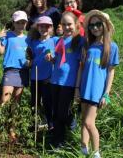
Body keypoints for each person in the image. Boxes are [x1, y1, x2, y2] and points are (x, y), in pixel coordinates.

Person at [79, 10, 119, 158]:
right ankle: (83, 149)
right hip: (84, 88)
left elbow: (111, 72)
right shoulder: (87, 45)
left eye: (98, 24)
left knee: (89, 123)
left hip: (97, 92)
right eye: (91, 25)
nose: (95, 28)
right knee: (83, 120)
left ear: (105, 26)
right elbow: (81, 68)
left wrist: (106, 94)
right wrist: (77, 89)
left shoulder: (112, 47)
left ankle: (96, 152)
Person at [46, 11, 85, 148]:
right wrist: (52, 59)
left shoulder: (79, 40)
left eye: (69, 24)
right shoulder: (59, 40)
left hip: (69, 83)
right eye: (64, 24)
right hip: (55, 81)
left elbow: (81, 62)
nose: (67, 27)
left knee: (63, 113)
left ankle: (72, 127)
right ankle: (58, 142)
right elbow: (59, 59)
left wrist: (77, 87)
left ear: (76, 25)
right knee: (55, 112)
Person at [0, 10, 29, 141]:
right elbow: (0, 52)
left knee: (16, 103)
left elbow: (30, 55)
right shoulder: (7, 35)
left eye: (23, 22)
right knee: (5, 101)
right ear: (14, 23)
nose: (21, 25)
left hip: (23, 72)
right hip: (10, 70)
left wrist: (29, 62)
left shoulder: (28, 38)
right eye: (18, 22)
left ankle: (12, 129)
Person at [29, 16, 56, 131]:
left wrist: (52, 59)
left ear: (51, 28)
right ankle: (34, 124)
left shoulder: (55, 41)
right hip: (35, 76)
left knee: (47, 102)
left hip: (48, 77)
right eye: (41, 26)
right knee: (34, 102)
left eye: (47, 26)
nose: (44, 28)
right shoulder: (33, 42)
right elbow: (30, 57)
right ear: (38, 27)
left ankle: (50, 124)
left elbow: (58, 58)